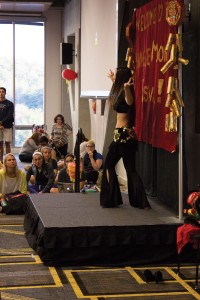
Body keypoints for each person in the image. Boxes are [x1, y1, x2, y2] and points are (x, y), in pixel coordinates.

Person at [100, 67, 151, 209]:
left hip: (122, 135)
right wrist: (113, 80)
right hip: (125, 135)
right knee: (130, 169)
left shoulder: (128, 92)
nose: (115, 76)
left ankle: (111, 199)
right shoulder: (122, 89)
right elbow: (121, 95)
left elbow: (129, 102)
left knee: (109, 165)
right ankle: (140, 202)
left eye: (117, 75)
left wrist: (127, 88)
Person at [0, 87, 14, 162]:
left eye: (2, 92)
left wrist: (1, 122)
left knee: (7, 143)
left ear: (5, 93)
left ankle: (8, 160)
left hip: (7, 126)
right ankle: (0, 162)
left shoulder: (10, 104)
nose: (1, 93)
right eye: (0, 92)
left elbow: (9, 115)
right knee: (0, 144)